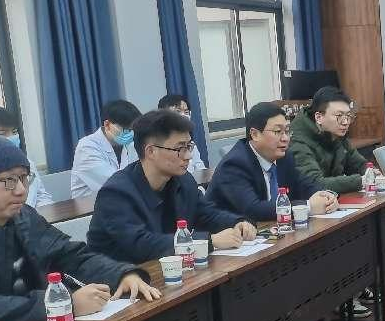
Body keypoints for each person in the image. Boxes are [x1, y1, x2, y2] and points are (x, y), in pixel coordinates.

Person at [0, 135, 159, 321]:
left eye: (24, 178)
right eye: (9, 180)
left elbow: (69, 255)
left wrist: (121, 275)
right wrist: (62, 305)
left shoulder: (22, 216)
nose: (21, 190)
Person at [87, 109, 257, 265]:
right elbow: (141, 244)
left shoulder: (183, 180)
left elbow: (207, 214)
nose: (188, 156)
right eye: (180, 148)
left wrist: (237, 222)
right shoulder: (116, 193)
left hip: (169, 269)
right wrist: (210, 241)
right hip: (120, 279)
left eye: (189, 146)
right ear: (151, 151)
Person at [206, 102, 337, 222]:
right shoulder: (235, 165)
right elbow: (253, 210)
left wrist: (327, 197)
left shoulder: (284, 157)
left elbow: (304, 184)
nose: (285, 138)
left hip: (271, 230)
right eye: (278, 131)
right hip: (228, 235)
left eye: (287, 131)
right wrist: (307, 207)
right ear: (255, 134)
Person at [0, 105, 53, 208]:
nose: (11, 137)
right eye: (2, 133)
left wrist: (44, 213)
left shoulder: (27, 162)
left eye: (14, 132)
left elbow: (41, 195)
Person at [289, 86, 367, 193]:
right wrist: (361, 181)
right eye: (339, 116)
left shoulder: (336, 133)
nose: (345, 122)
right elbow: (315, 184)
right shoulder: (297, 141)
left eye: (348, 116)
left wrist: (371, 172)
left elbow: (359, 165)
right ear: (319, 117)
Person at [71, 100, 141, 199]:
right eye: (126, 129)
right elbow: (114, 183)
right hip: (89, 205)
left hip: (122, 200)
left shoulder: (130, 145)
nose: (130, 133)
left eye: (133, 129)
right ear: (107, 125)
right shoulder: (86, 147)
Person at [156, 94, 206, 176]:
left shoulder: (190, 143)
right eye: (177, 111)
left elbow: (200, 168)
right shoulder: (159, 144)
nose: (183, 116)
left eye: (186, 112)